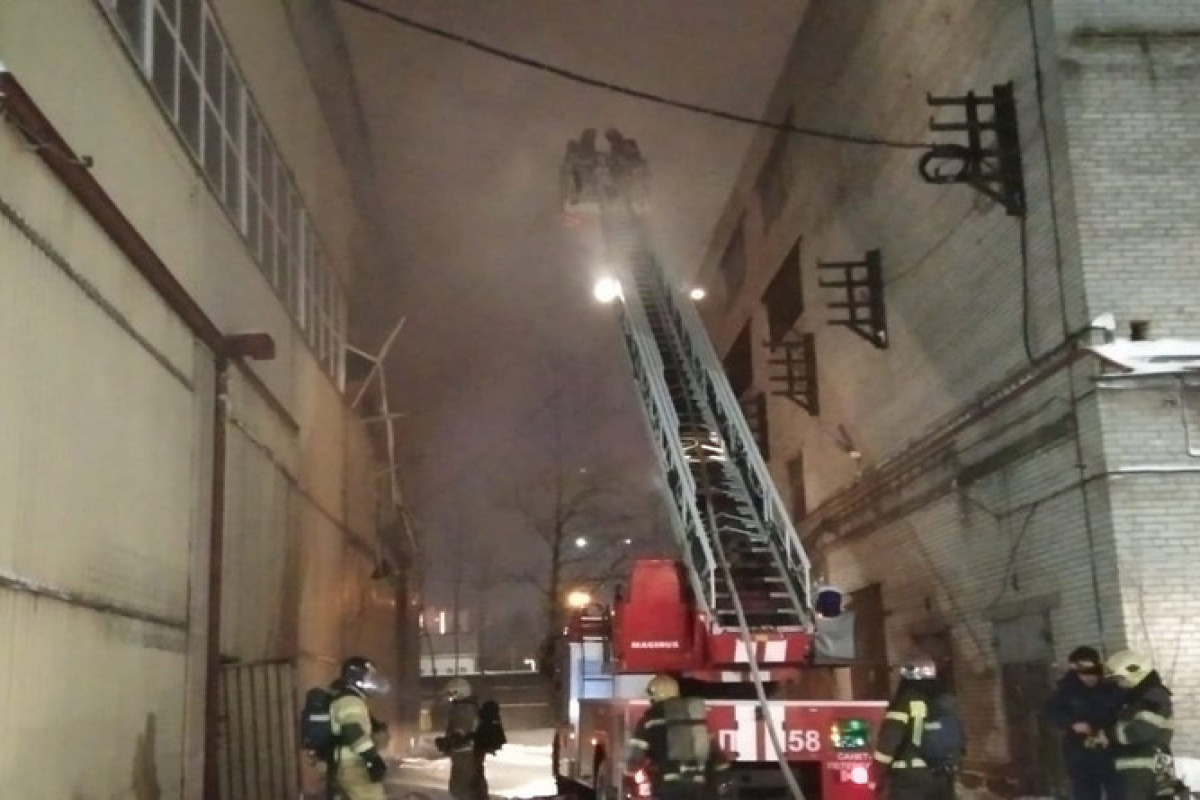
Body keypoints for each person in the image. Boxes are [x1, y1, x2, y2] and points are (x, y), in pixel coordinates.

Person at [622, 674, 730, 800]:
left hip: (667, 786)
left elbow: (635, 757)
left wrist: (628, 771)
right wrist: (723, 779)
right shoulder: (696, 719)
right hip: (697, 786)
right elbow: (717, 755)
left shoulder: (650, 719)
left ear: (654, 696)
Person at [872, 655, 963, 800]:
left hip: (909, 779)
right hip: (941, 776)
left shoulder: (904, 702)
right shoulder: (945, 702)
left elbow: (888, 742)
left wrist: (876, 775)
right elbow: (959, 738)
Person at [1046, 646, 1124, 800]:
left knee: (1117, 791)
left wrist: (1110, 732)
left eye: (1092, 672)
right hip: (1079, 752)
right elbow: (1052, 713)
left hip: (1109, 751)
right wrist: (1071, 724)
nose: (1089, 677)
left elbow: (1123, 712)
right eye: (1083, 673)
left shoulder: (1110, 689)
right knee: (1085, 792)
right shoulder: (1066, 691)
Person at [1106, 650, 1181, 800]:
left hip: (1145, 768)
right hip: (1140, 767)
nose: (1119, 684)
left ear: (1133, 672)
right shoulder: (1137, 697)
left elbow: (1141, 730)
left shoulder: (1153, 696)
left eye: (1120, 679)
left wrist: (1108, 734)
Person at [329, 656, 391, 800]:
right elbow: (352, 732)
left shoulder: (348, 699)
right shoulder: (351, 701)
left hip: (347, 763)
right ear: (356, 679)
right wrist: (372, 758)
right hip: (352, 764)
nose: (371, 683)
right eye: (368, 678)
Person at [437, 677, 489, 800]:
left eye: (451, 694)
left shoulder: (462, 710)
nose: (449, 698)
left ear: (459, 693)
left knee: (462, 789)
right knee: (474, 787)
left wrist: (448, 742)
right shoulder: (471, 708)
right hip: (470, 755)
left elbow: (460, 733)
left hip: (464, 756)